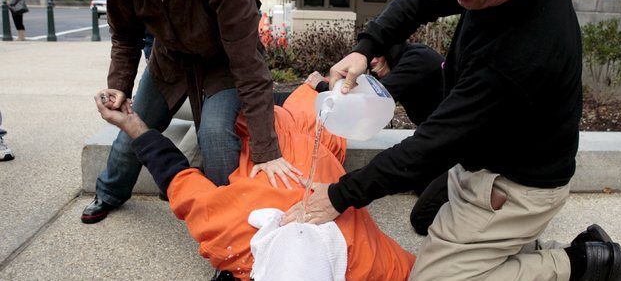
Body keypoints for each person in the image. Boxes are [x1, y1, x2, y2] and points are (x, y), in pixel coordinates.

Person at [283, 0, 621, 281]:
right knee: (425, 217)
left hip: (520, 180)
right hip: (487, 149)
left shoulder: (521, 57)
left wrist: (339, 196)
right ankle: (510, 246)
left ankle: (583, 262)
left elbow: (433, 144)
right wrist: (367, 48)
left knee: (433, 278)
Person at [81, 0, 300, 224]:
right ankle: (109, 192)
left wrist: (266, 151)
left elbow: (248, 63)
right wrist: (118, 86)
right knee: (134, 123)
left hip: (223, 65)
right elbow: (124, 37)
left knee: (214, 134)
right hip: (169, 62)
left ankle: (225, 219)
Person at [94, 83, 415, 281]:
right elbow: (177, 177)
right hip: (304, 132)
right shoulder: (371, 263)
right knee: (299, 106)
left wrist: (134, 124)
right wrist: (132, 124)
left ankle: (308, 87)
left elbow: (176, 175)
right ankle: (310, 86)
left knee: (218, 113)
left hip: (266, 126)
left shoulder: (233, 233)